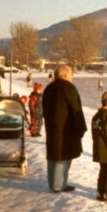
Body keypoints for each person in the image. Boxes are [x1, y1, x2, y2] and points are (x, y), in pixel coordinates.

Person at [42, 65, 87, 193]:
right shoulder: (69, 88)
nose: (72, 77)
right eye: (71, 74)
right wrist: (80, 129)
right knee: (63, 155)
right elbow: (76, 109)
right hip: (66, 128)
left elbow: (44, 108)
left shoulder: (49, 87)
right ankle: (59, 185)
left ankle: (55, 183)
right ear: (65, 75)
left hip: (52, 127)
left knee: (54, 154)